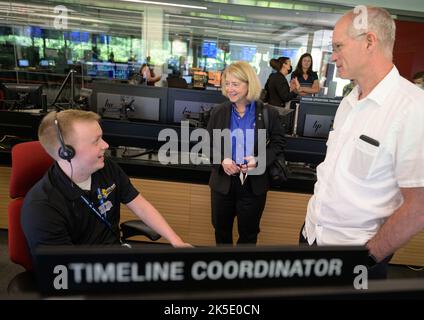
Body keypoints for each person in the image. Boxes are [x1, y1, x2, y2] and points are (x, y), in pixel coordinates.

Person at [300, 6, 424, 279]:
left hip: (355, 260)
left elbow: (418, 207)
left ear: (369, 41)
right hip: (312, 238)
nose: (333, 57)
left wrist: (369, 256)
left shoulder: (412, 108)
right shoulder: (348, 101)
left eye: (339, 46)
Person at [21, 110, 191, 259]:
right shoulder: (42, 207)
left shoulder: (106, 168)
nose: (106, 145)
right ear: (67, 153)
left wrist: (176, 241)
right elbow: (63, 271)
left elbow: (140, 205)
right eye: (96, 141)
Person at [207, 61, 286, 245]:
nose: (230, 89)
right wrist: (222, 160)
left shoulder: (268, 113)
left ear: (249, 84)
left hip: (253, 185)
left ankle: (242, 271)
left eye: (235, 84)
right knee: (221, 232)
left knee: (249, 235)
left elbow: (279, 143)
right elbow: (207, 144)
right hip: (223, 184)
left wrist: (258, 160)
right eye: (227, 84)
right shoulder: (219, 112)